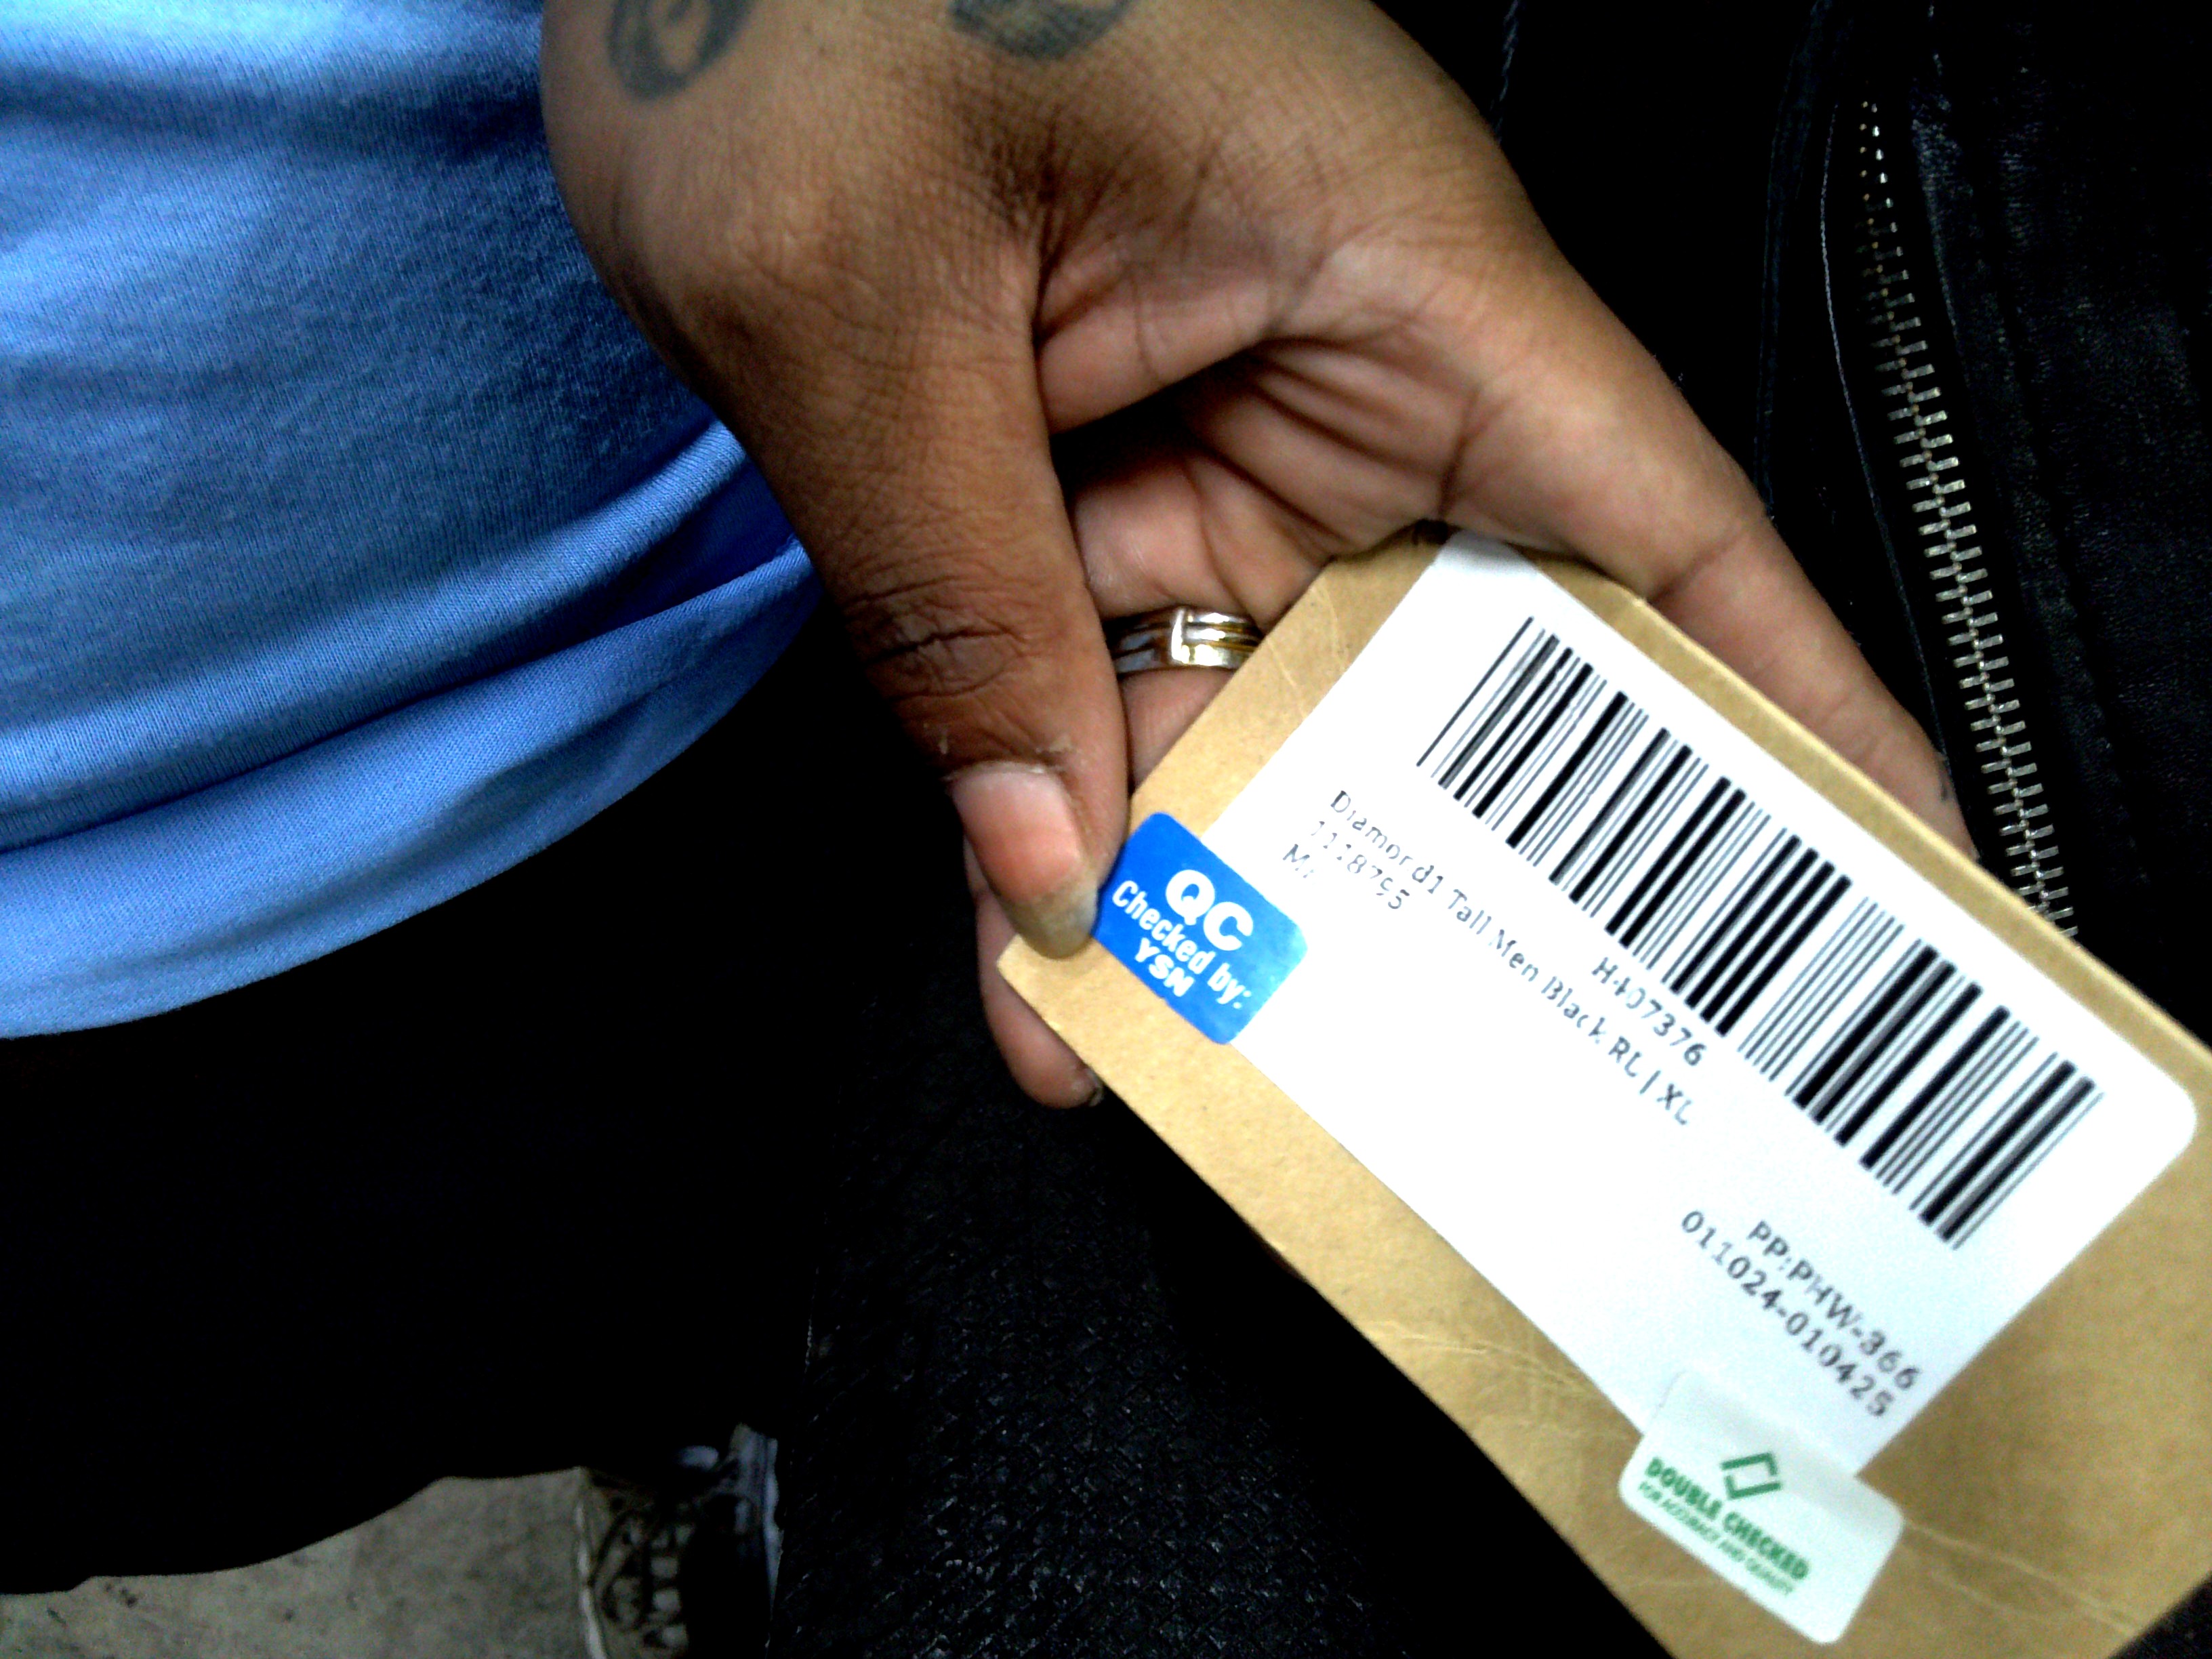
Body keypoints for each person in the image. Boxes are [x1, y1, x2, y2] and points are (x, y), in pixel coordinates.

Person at [1, 0, 1984, 1652]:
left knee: (851, 1280)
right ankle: (706, 1428)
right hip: (74, 1081)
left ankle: (743, 1407)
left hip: (888, 475)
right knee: (366, 1381)